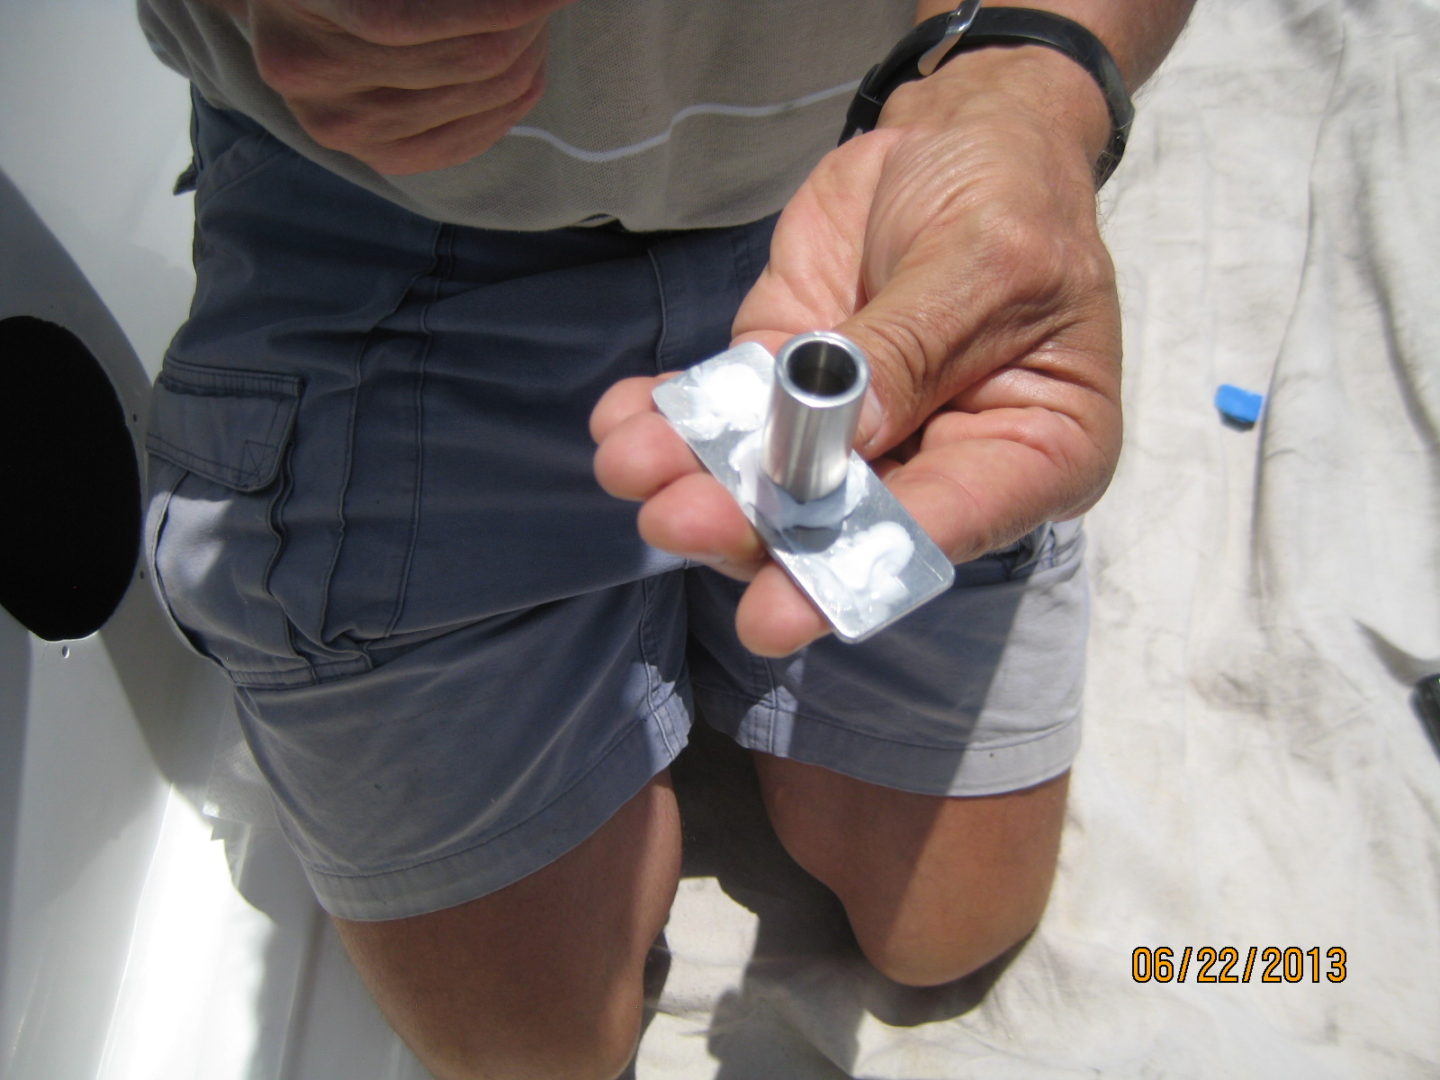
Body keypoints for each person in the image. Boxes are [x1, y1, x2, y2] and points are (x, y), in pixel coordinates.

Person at [138, 2, 1193, 1078]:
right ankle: (658, 607)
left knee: (947, 925)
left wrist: (1022, 83)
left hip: (857, 190)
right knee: (540, 1053)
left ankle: (679, 601)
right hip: (383, 225)